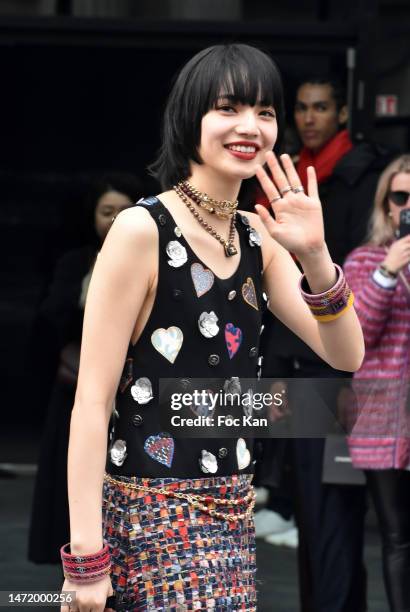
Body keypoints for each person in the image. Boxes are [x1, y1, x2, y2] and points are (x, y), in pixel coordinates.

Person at [59, 44, 364, 612]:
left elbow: (346, 355)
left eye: (265, 112)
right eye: (229, 108)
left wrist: (318, 255)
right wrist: (86, 560)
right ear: (189, 119)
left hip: (232, 508)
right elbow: (92, 401)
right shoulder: (140, 229)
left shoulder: (256, 235)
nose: (251, 126)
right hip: (150, 510)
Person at [256, 76, 392, 611]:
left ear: (341, 114)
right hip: (298, 363)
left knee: (333, 511)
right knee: (313, 509)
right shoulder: (284, 178)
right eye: (303, 109)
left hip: (345, 370)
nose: (310, 117)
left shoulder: (362, 175)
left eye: (321, 107)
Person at [28, 174, 143, 564]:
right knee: (72, 487)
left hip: (134, 396)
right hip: (79, 388)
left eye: (124, 212)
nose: (114, 220)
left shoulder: (155, 259)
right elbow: (50, 319)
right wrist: (88, 292)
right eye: (106, 212)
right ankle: (75, 567)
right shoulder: (76, 261)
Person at [344, 154, 410, 612]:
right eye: (401, 196)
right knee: (397, 537)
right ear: (386, 205)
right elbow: (355, 337)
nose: (408, 206)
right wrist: (389, 270)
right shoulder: (365, 259)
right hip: (385, 417)